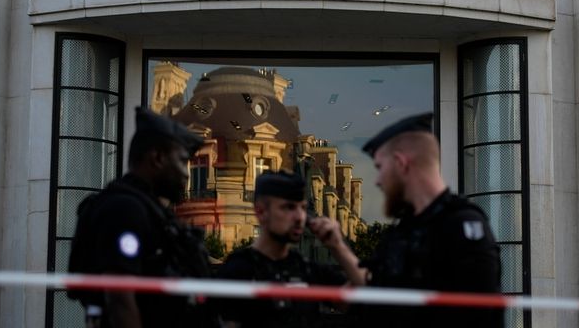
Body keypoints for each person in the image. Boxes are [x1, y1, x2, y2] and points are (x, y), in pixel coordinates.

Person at [318, 112, 504, 327]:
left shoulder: (460, 226)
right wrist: (337, 246)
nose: (377, 181)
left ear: (400, 162)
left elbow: (479, 315)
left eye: (379, 167)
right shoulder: (402, 231)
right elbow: (374, 294)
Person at [68, 107, 216, 328]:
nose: (187, 174)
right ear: (157, 158)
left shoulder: (152, 212)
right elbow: (119, 298)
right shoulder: (124, 209)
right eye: (182, 161)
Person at [216, 171, 363, 328]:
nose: (300, 217)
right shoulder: (238, 269)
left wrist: (338, 246)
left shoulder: (306, 269)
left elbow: (367, 297)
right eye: (289, 207)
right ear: (261, 212)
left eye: (303, 208)